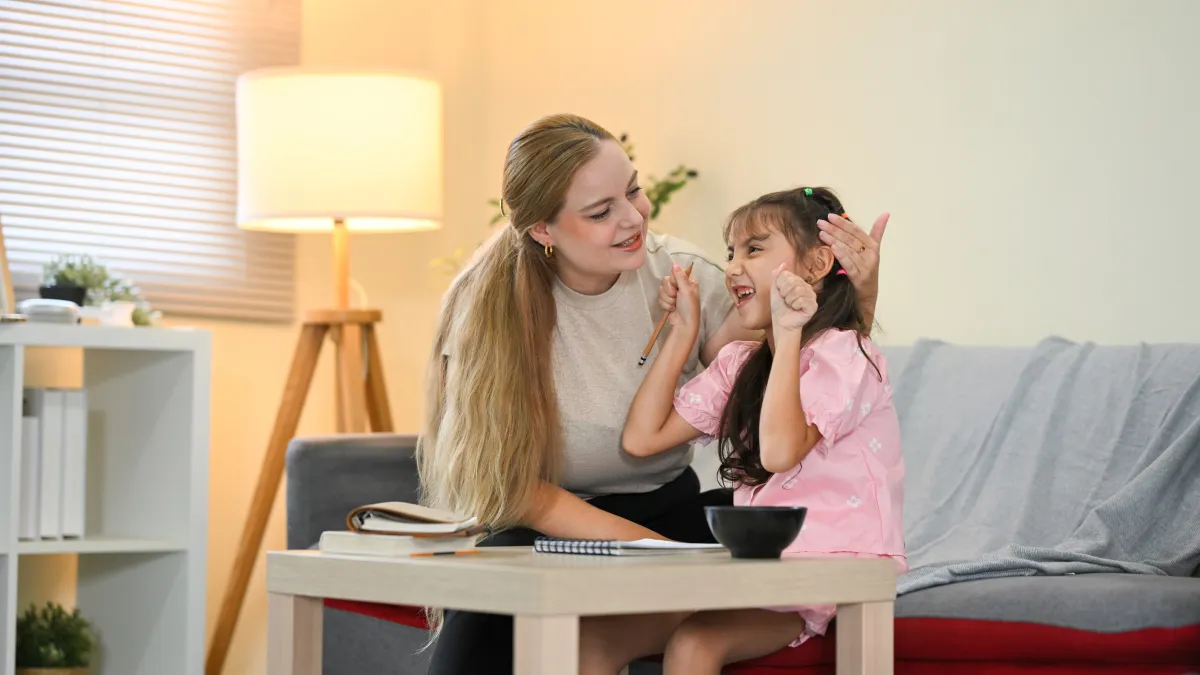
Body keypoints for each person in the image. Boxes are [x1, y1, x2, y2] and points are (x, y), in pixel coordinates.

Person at [418, 114, 888, 674]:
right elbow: (518, 493)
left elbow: (796, 382)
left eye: (633, 190)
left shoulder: (685, 273)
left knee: (770, 518)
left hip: (668, 509)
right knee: (491, 593)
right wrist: (660, 562)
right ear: (544, 230)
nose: (632, 217)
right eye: (600, 211)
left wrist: (860, 293)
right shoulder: (486, 307)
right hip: (544, 524)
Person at [575, 186, 906, 674]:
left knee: (696, 643)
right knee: (590, 642)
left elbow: (777, 453)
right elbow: (642, 440)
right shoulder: (741, 362)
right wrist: (682, 332)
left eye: (753, 249)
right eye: (731, 251)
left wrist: (789, 332)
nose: (731, 266)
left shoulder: (846, 356)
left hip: (832, 572)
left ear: (815, 267)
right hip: (758, 573)